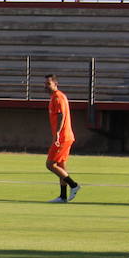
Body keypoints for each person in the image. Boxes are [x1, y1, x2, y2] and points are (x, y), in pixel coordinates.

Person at [45, 74, 80, 203]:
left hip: (63, 137)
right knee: (61, 165)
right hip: (65, 136)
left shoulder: (58, 97)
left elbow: (61, 116)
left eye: (48, 83)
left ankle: (74, 185)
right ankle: (63, 196)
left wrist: (58, 133)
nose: (46, 86)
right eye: (45, 84)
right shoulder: (55, 97)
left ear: (55, 84)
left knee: (50, 164)